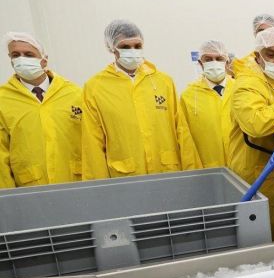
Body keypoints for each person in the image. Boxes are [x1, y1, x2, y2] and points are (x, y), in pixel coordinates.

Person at [82, 19, 201, 180]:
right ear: (112, 48)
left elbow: (181, 129)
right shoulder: (96, 88)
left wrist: (193, 175)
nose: (132, 51)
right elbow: (93, 143)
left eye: (137, 46)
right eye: (125, 47)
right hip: (126, 177)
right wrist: (99, 188)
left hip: (168, 173)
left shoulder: (163, 81)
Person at [229, 27, 274, 240]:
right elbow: (255, 123)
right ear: (258, 56)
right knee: (264, 234)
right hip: (258, 172)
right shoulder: (247, 84)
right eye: (271, 54)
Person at [0, 32, 82, 188]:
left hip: (76, 184)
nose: (21, 59)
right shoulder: (3, 100)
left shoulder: (74, 94)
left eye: (29, 54)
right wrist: (8, 197)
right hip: (30, 189)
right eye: (16, 55)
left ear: (44, 60)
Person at [178, 40, 234, 168]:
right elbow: (186, 139)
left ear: (227, 62)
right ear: (200, 63)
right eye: (208, 59)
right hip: (209, 169)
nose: (214, 63)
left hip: (242, 169)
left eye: (219, 58)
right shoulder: (189, 96)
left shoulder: (240, 89)